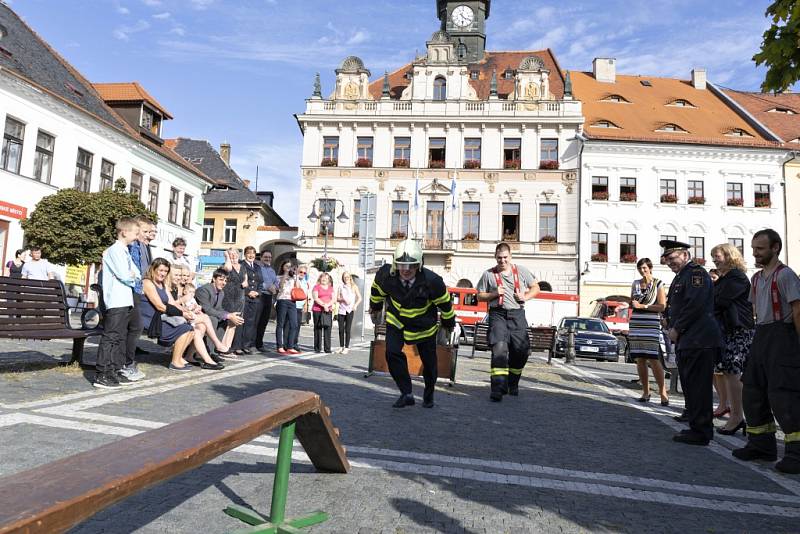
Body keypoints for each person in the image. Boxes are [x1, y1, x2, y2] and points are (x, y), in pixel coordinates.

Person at [733, 229, 800, 473]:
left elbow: (798, 311)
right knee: (753, 391)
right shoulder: (757, 278)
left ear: (775, 248)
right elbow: (755, 312)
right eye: (753, 249)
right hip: (762, 335)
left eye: (760, 249)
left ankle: (796, 453)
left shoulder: (786, 276)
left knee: (784, 395)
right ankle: (761, 445)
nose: (755, 253)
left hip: (783, 336)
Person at [369, 239, 455, 408]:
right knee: (392, 353)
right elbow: (376, 292)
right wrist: (376, 308)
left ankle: (429, 394)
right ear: (395, 263)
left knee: (429, 364)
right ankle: (406, 392)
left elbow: (445, 305)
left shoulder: (433, 281)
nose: (406, 270)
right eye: (401, 265)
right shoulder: (385, 275)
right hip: (397, 322)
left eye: (411, 266)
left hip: (424, 327)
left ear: (419, 264)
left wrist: (448, 323)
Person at [661, 239, 723, 446]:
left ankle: (702, 430)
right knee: (690, 385)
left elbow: (695, 305)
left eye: (672, 258)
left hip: (699, 339)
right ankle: (696, 426)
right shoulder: (683, 276)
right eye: (667, 259)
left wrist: (678, 328)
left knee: (698, 387)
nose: (670, 263)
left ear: (685, 255)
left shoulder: (696, 274)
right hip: (690, 339)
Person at [476, 242, 540, 402]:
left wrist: (525, 296)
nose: (502, 261)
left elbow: (536, 287)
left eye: (505, 257)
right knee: (499, 349)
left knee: (521, 351)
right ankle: (497, 389)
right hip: (497, 314)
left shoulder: (522, 271)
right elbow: (479, 296)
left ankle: (513, 382)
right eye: (499, 258)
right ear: (495, 257)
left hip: (517, 315)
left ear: (510, 256)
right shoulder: (488, 275)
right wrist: (493, 294)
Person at [140, 258, 223, 371]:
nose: (163, 273)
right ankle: (175, 362)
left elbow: (172, 303)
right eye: (160, 270)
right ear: (153, 269)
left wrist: (187, 311)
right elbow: (160, 306)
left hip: (163, 317)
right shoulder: (147, 282)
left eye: (165, 271)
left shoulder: (162, 285)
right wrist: (182, 314)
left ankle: (180, 358)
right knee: (185, 329)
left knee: (191, 329)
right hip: (152, 319)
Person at [710, 243, 754, 435]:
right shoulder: (726, 278)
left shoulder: (736, 277)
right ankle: (736, 415)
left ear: (729, 256)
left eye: (717, 256)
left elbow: (719, 301)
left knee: (734, 373)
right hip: (729, 330)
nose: (714, 260)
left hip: (739, 330)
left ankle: (737, 417)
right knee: (729, 372)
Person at [93, 218, 142, 389]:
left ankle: (113, 369)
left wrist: (132, 276)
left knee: (120, 337)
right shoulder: (114, 250)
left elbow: (136, 273)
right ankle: (102, 372)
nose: (137, 237)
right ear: (124, 232)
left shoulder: (125, 251)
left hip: (125, 299)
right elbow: (125, 275)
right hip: (115, 299)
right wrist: (131, 276)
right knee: (111, 336)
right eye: (135, 233)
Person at [628, 258, 669, 405]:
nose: (642, 270)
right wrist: (630, 304)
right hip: (637, 323)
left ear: (650, 268)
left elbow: (662, 306)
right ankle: (645, 391)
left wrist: (643, 306)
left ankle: (663, 392)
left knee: (653, 357)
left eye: (644, 268)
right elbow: (633, 302)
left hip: (651, 323)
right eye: (640, 268)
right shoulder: (635, 284)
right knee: (640, 358)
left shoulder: (658, 284)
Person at [123, 215, 156, 380]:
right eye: (145, 231)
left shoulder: (140, 245)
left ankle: (127, 362)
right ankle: (126, 364)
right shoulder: (130, 246)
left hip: (137, 289)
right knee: (133, 327)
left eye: (149, 231)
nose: (147, 235)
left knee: (136, 327)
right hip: (130, 291)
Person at [195, 269, 244, 356]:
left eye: (225, 280)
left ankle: (215, 351)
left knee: (225, 320)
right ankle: (207, 353)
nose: (224, 283)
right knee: (213, 319)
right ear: (214, 279)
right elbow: (207, 309)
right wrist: (227, 315)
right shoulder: (204, 290)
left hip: (208, 315)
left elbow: (219, 308)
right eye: (221, 280)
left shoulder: (221, 292)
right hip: (198, 316)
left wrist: (231, 315)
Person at [222, 247, 247, 354]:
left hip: (240, 297)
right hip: (228, 296)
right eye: (231, 254)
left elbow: (245, 277)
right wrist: (227, 257)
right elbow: (227, 269)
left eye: (235, 254)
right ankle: (222, 347)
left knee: (234, 324)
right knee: (228, 322)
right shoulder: (226, 265)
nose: (233, 256)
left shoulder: (242, 266)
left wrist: (246, 282)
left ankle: (228, 347)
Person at [238, 246, 263, 352]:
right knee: (242, 322)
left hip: (255, 298)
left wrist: (258, 292)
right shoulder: (241, 265)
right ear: (245, 254)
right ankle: (239, 345)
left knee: (251, 323)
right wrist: (249, 292)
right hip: (244, 297)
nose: (251, 255)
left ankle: (247, 345)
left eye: (253, 253)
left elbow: (260, 282)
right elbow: (240, 281)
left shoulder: (257, 267)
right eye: (248, 253)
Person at [275, 260, 300, 354]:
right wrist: (285, 273)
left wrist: (296, 275)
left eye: (290, 266)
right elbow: (280, 287)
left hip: (292, 301)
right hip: (282, 300)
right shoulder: (278, 277)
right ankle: (280, 345)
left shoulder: (293, 277)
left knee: (294, 324)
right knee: (280, 324)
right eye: (287, 266)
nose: (289, 268)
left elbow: (297, 288)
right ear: (283, 267)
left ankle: (290, 346)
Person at [255, 250, 278, 352]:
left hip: (269, 297)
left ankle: (259, 344)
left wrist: (275, 287)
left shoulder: (272, 270)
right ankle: (252, 343)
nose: (267, 259)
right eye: (265, 257)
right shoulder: (258, 268)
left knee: (264, 321)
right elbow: (257, 281)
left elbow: (276, 283)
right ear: (261, 257)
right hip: (260, 295)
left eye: (269, 257)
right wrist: (268, 287)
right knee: (257, 320)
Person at [336, 271, 362, 354]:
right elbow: (337, 298)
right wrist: (342, 299)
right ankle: (341, 346)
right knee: (341, 329)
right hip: (342, 309)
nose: (346, 278)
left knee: (347, 329)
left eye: (347, 277)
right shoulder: (341, 287)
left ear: (350, 277)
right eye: (344, 277)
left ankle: (346, 347)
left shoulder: (354, 286)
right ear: (343, 278)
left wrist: (355, 305)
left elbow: (359, 298)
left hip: (350, 309)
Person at [312, 272, 335, 353]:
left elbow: (333, 299)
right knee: (318, 328)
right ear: (320, 278)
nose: (324, 279)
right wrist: (324, 305)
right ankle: (317, 348)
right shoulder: (316, 287)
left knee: (328, 328)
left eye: (326, 277)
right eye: (323, 277)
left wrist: (328, 305)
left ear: (328, 279)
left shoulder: (330, 288)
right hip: (317, 310)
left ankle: (327, 348)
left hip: (328, 310)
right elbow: (315, 298)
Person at [293, 264, 311, 349]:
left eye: (304, 273)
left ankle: (295, 342)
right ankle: (289, 343)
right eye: (301, 272)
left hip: (300, 306)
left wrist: (306, 305)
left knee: (297, 326)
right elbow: (297, 287)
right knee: (292, 325)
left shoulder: (305, 281)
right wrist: (296, 276)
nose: (302, 274)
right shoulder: (295, 279)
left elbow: (306, 294)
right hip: (293, 305)